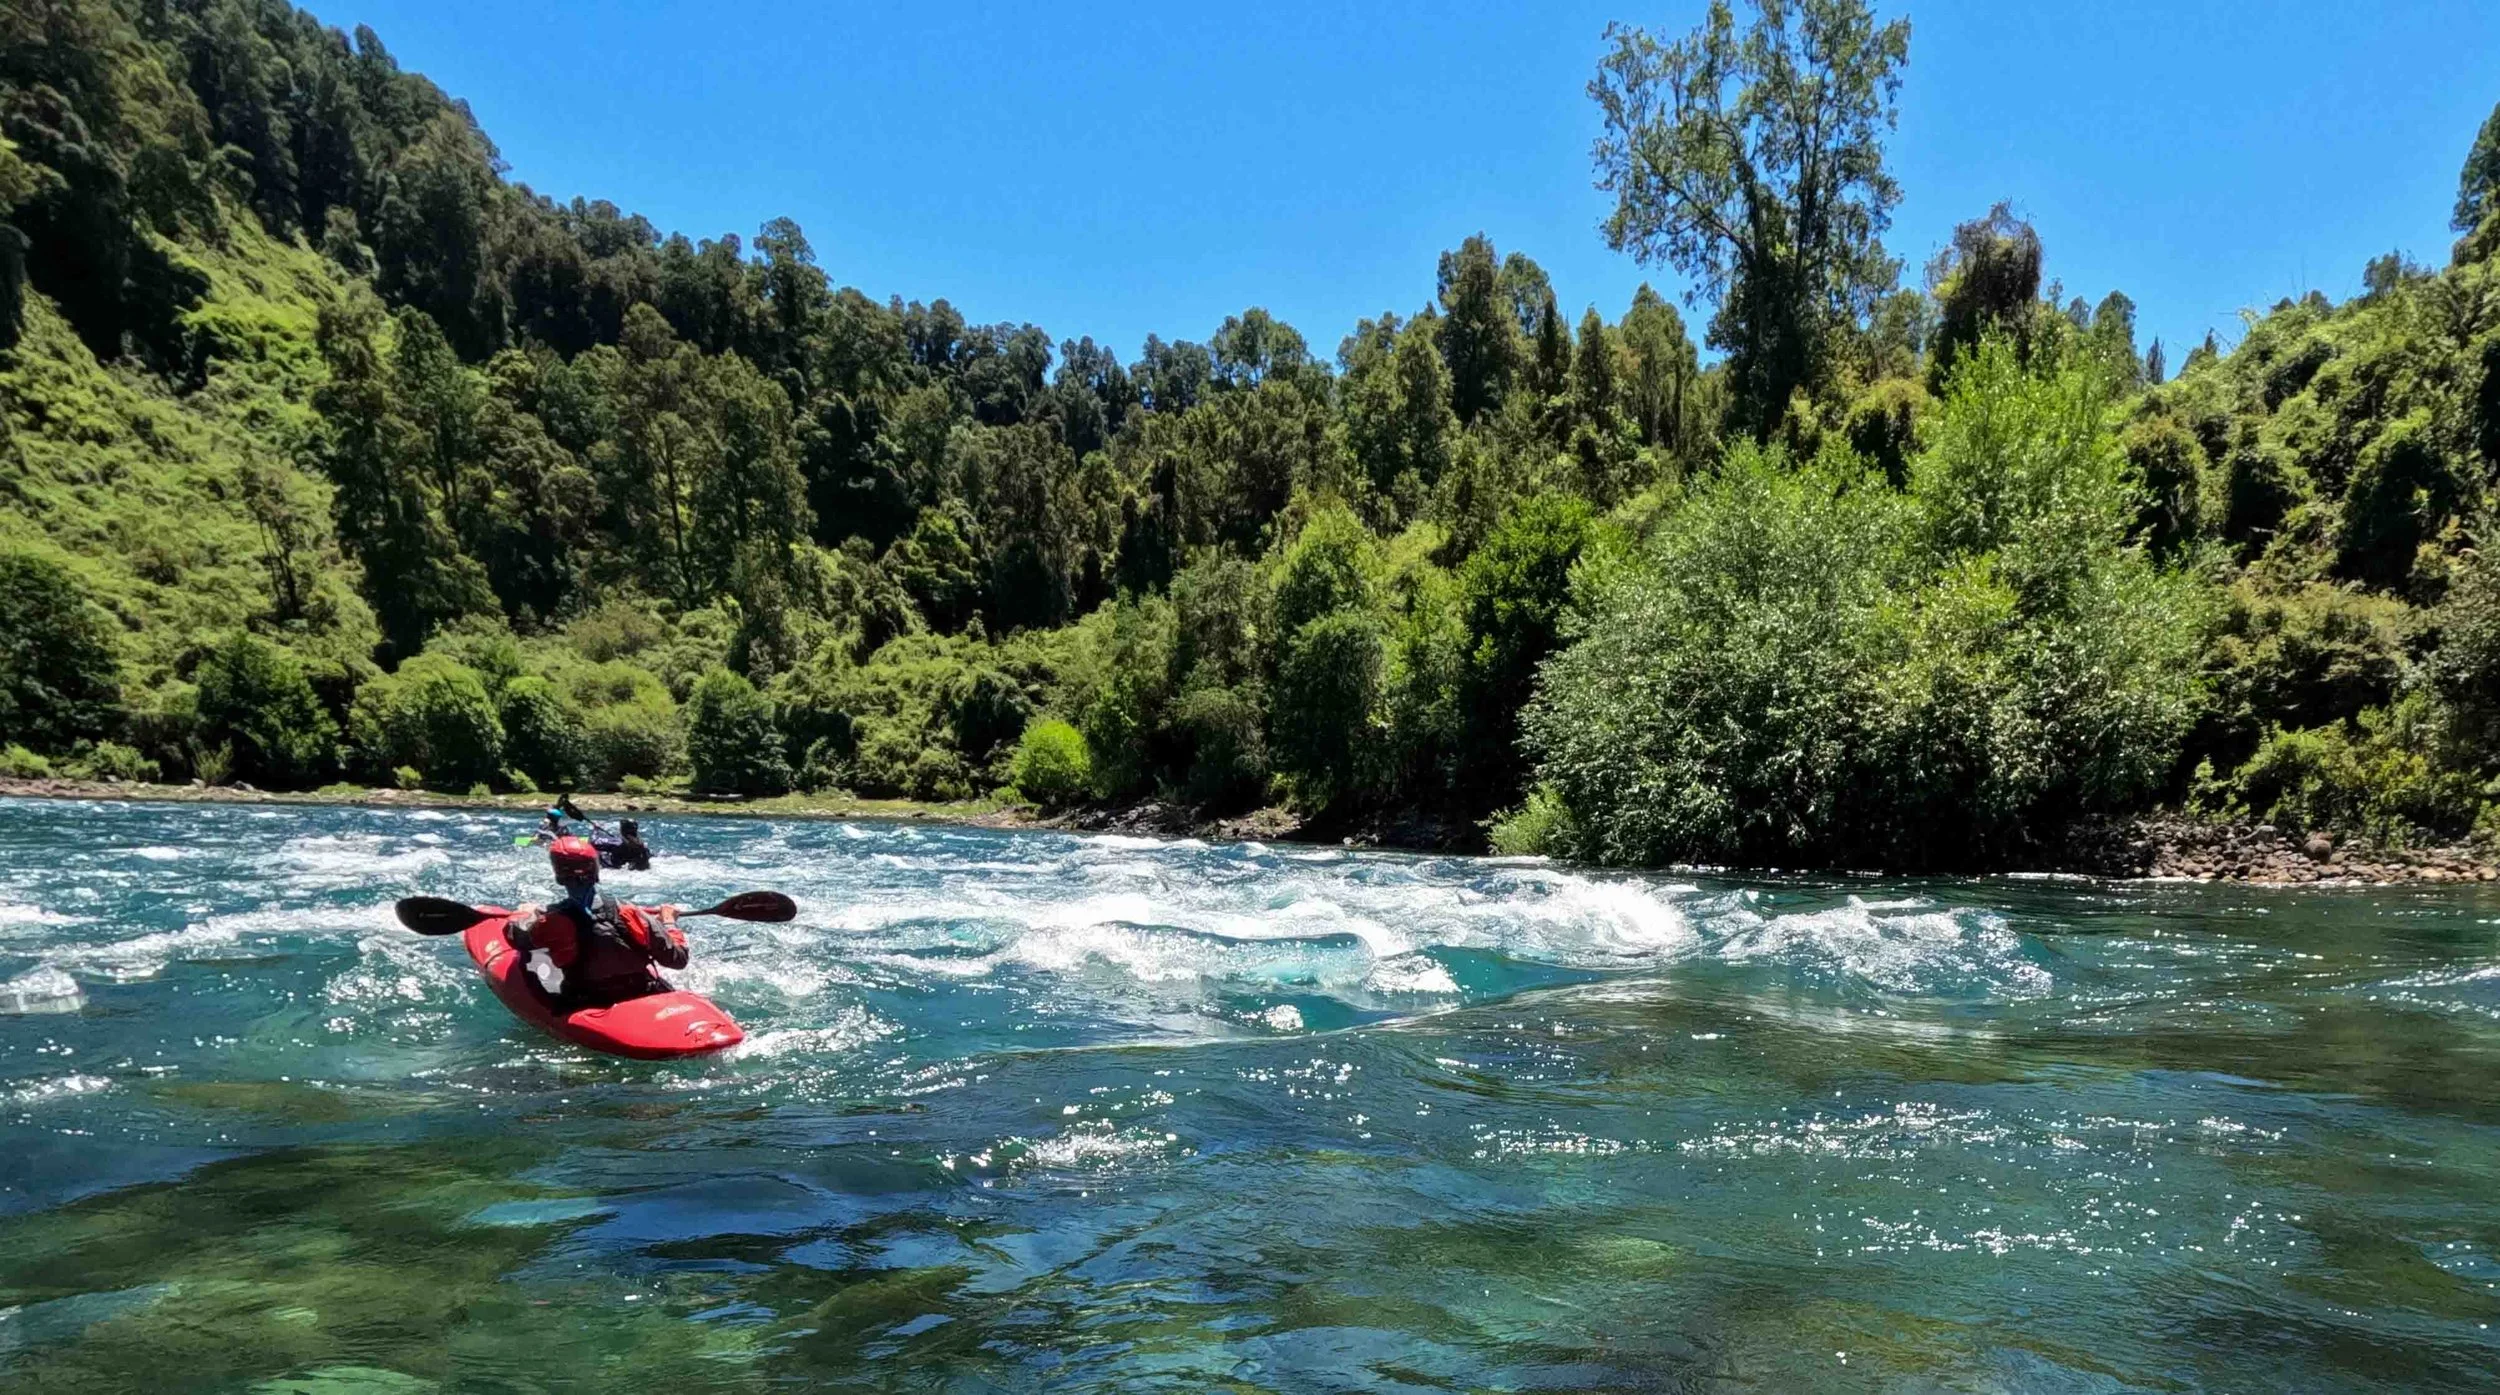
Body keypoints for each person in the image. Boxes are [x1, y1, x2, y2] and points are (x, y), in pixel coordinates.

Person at [506, 837, 687, 1007]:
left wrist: (524, 914)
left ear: (558, 875)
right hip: (641, 992)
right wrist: (669, 922)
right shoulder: (630, 912)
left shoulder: (552, 921)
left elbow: (516, 938)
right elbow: (678, 959)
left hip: (588, 1001)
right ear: (596, 870)